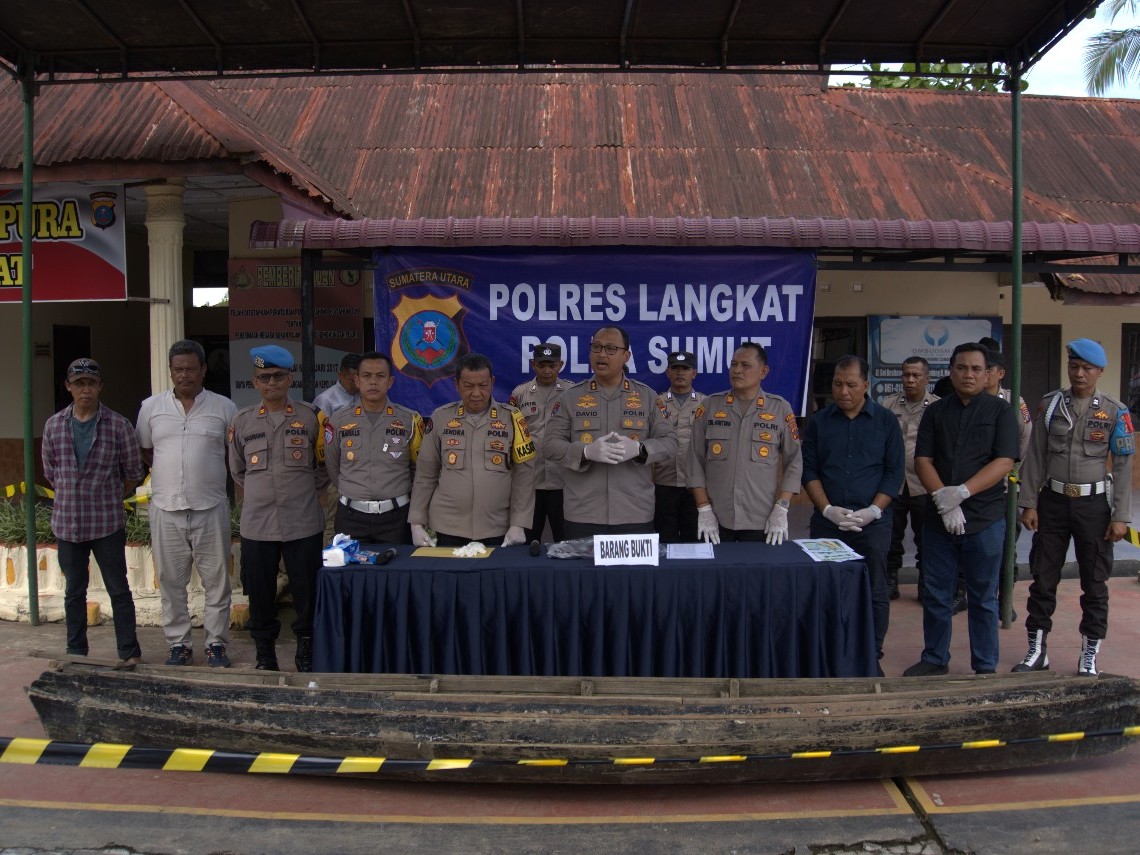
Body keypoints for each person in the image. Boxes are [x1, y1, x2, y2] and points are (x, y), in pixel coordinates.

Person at [1014, 338, 1134, 676]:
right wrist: (1028, 502)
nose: (1079, 373)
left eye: (1087, 368)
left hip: (1094, 506)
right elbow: (1036, 455)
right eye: (1074, 366)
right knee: (1042, 579)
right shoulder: (1051, 405)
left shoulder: (1114, 411)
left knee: (1094, 583)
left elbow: (1124, 465)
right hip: (1052, 502)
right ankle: (1037, 651)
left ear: (1100, 371)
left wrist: (1121, 516)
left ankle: (1089, 655)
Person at [903, 342, 1019, 677]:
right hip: (939, 520)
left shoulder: (1001, 412)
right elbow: (921, 459)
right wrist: (942, 497)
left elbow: (1004, 460)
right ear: (951, 372)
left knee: (983, 597)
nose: (968, 374)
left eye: (976, 369)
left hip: (984, 519)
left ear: (987, 375)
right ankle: (935, 658)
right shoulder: (936, 412)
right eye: (961, 368)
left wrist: (963, 493)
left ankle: (984, 664)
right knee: (937, 593)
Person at [137, 339, 238, 667]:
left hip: (210, 507)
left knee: (217, 582)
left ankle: (216, 644)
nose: (184, 375)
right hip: (166, 508)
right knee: (170, 582)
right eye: (178, 369)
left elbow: (232, 454)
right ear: (170, 372)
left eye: (191, 369)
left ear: (203, 370)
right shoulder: (151, 407)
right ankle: (179, 644)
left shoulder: (224, 407)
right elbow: (148, 451)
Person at [228, 344, 329, 672]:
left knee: (307, 591)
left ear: (290, 379)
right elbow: (238, 470)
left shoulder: (310, 416)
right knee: (259, 592)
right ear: (255, 383)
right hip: (258, 524)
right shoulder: (241, 421)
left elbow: (323, 466)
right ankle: (265, 653)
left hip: (302, 521)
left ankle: (307, 647)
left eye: (278, 376)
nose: (271, 382)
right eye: (264, 377)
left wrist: (300, 491)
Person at [802, 355, 904, 673]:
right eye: (837, 383)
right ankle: (829, 652)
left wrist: (874, 510)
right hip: (827, 523)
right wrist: (827, 509)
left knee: (873, 588)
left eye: (850, 384)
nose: (843, 391)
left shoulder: (886, 421)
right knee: (826, 588)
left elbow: (894, 472)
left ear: (865, 385)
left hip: (872, 525)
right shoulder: (819, 422)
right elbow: (809, 471)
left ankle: (871, 654)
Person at [41, 358, 144, 665]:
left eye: (90, 383)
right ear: (68, 387)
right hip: (68, 523)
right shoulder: (54, 425)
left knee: (119, 589)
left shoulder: (118, 425)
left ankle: (129, 652)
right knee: (74, 591)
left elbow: (133, 472)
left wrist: (108, 495)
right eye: (78, 383)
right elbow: (50, 472)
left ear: (100, 387)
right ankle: (76, 652)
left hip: (106, 523)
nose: (85, 389)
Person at [544, 326, 677, 538]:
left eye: (610, 348)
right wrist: (585, 452)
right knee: (582, 572)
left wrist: (640, 449)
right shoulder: (571, 397)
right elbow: (549, 445)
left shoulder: (647, 397)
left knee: (632, 573)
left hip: (634, 514)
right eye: (596, 347)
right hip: (583, 514)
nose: (602, 354)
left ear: (626, 356)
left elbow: (670, 442)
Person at [409, 353, 537, 546]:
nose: (476, 393)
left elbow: (524, 477)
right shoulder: (441, 418)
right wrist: (416, 524)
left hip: (497, 526)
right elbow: (425, 474)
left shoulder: (512, 418)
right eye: (468, 386)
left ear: (492, 382)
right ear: (457, 384)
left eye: (483, 385)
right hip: (447, 526)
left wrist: (519, 523)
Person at [687, 343, 802, 544]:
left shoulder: (779, 409)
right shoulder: (710, 406)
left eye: (745, 365)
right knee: (716, 574)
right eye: (733, 364)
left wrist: (782, 507)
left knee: (758, 575)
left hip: (762, 520)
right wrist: (704, 508)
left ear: (763, 372)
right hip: (716, 518)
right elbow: (694, 459)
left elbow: (794, 462)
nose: (737, 370)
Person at [325, 351, 423, 544]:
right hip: (351, 517)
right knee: (352, 573)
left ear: (390, 381)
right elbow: (333, 466)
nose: (373, 382)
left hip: (396, 517)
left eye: (380, 376)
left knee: (395, 573)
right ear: (357, 380)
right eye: (366, 376)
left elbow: (417, 469)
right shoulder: (338, 420)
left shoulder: (409, 419)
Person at [883, 356, 938, 600]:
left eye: (916, 375)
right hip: (894, 484)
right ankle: (890, 579)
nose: (910, 380)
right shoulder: (888, 405)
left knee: (926, 538)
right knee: (890, 536)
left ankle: (926, 583)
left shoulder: (937, 407)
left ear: (927, 378)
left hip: (923, 484)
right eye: (906, 374)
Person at [509, 342, 567, 543]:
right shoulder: (520, 394)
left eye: (552, 365)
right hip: (530, 482)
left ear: (561, 365)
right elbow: (512, 435)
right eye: (542, 365)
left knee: (565, 539)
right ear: (533, 365)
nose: (547, 370)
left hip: (562, 480)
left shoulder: (571, 393)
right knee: (528, 540)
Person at [653, 351, 705, 543]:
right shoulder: (656, 403)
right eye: (675, 368)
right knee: (665, 538)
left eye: (685, 369)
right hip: (664, 482)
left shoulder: (704, 403)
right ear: (667, 372)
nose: (680, 373)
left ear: (694, 373)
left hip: (694, 483)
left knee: (695, 537)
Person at [312, 353, 362, 418]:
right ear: (340, 375)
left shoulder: (364, 394)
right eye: (352, 381)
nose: (357, 384)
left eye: (359, 380)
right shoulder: (325, 400)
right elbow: (321, 426)